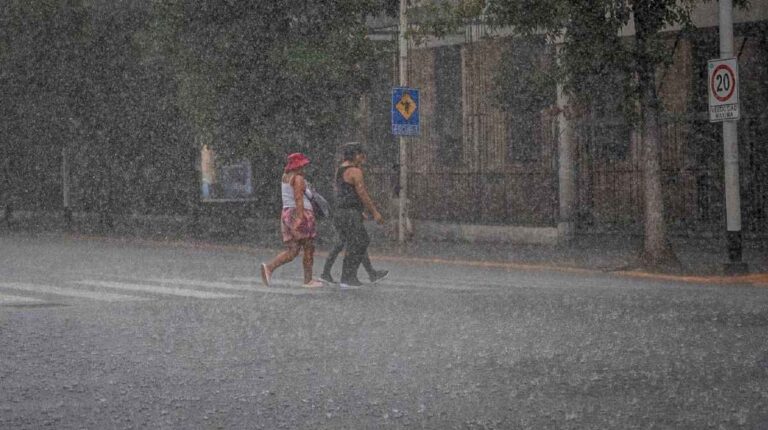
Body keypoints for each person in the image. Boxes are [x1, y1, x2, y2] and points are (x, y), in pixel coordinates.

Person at [260, 153, 324, 288]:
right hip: (301, 213)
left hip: (287, 213)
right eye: (303, 165)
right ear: (298, 165)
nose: (304, 167)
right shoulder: (298, 179)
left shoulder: (285, 177)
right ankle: (308, 280)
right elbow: (298, 199)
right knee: (309, 247)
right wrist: (300, 218)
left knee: (293, 250)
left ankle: (269, 268)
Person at [331, 143, 385, 288]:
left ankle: (348, 276)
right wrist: (374, 212)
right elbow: (362, 193)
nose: (363, 158)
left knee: (355, 242)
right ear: (355, 155)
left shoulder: (340, 169)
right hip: (349, 213)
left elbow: (342, 192)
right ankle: (348, 277)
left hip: (342, 211)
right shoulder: (355, 171)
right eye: (361, 154)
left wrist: (357, 209)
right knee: (360, 241)